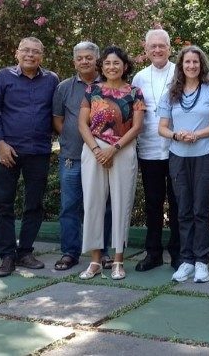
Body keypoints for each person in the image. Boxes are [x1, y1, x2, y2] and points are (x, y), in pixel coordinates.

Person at [0, 37, 59, 277]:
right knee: (3, 203)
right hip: (8, 152)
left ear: (42, 55)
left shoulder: (51, 80)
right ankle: (6, 255)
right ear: (17, 53)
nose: (30, 55)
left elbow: (56, 115)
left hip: (38, 151)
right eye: (25, 50)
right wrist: (0, 144)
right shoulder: (3, 77)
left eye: (35, 51)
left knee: (34, 204)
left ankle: (25, 251)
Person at [158, 45, 209, 283]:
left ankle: (201, 262)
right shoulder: (171, 93)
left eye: (195, 62)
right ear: (181, 65)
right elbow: (162, 128)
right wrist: (177, 135)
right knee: (183, 210)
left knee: (201, 210)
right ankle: (186, 261)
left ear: (201, 64)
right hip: (178, 157)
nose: (191, 66)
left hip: (205, 156)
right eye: (187, 62)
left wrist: (197, 135)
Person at [77, 46, 145, 281]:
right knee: (93, 203)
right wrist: (97, 150)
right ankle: (95, 261)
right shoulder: (91, 90)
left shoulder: (135, 92)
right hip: (94, 149)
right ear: (101, 66)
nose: (111, 67)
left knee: (121, 202)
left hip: (123, 150)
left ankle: (118, 260)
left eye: (116, 63)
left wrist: (114, 149)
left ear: (125, 66)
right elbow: (82, 125)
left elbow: (137, 126)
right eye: (107, 63)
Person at [52, 41, 113, 271]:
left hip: (102, 158)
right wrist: (73, 138)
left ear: (97, 60)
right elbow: (57, 120)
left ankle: (104, 252)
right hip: (72, 157)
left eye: (89, 57)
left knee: (103, 206)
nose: (84, 61)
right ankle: (70, 252)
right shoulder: (64, 87)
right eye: (80, 58)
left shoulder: (109, 85)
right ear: (74, 61)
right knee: (70, 206)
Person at [131, 29, 180, 271]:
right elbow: (136, 111)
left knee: (178, 202)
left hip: (177, 147)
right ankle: (153, 252)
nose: (158, 50)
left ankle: (178, 252)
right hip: (149, 148)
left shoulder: (180, 72)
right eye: (153, 46)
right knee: (153, 202)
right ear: (147, 49)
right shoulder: (138, 78)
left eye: (162, 45)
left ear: (169, 48)